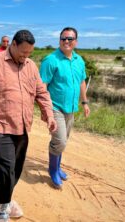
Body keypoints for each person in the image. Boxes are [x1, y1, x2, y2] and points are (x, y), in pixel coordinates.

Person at [0, 30, 57, 222]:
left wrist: (49, 114)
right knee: (5, 168)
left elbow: (41, 93)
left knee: (16, 169)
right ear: (12, 44)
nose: (25, 57)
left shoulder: (30, 66)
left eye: (29, 53)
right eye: (22, 53)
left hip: (22, 126)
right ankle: (1, 209)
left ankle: (6, 199)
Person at [39, 27, 90, 189]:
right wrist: (45, 110)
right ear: (59, 40)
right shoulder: (51, 60)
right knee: (59, 141)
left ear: (76, 41)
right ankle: (53, 170)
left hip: (71, 108)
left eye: (70, 38)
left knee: (63, 140)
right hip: (55, 107)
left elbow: (82, 82)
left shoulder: (79, 60)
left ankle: (57, 167)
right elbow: (42, 86)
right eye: (63, 38)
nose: (66, 41)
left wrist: (85, 102)